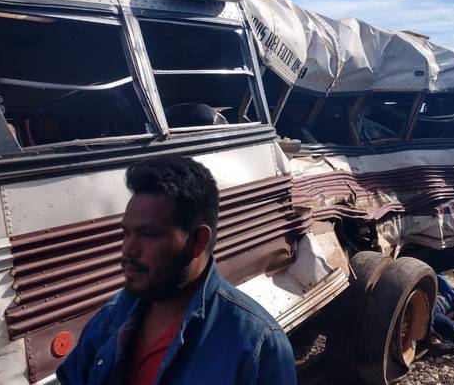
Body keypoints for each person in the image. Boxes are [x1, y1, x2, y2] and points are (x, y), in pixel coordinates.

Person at [57, 156, 297, 385]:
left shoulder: (257, 344)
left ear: (197, 241)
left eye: (148, 234)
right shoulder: (113, 315)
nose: (128, 250)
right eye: (126, 233)